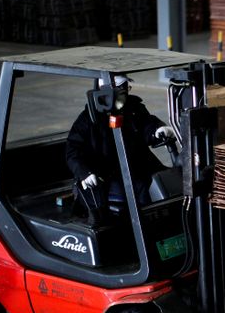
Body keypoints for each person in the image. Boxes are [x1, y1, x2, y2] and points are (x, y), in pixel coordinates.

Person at [65, 74, 175, 226]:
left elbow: (146, 124)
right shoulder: (88, 120)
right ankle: (148, 230)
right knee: (143, 190)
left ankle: (167, 225)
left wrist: (157, 130)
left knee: (167, 182)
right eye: (122, 91)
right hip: (107, 173)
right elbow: (73, 151)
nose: (126, 94)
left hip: (136, 164)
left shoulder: (133, 107)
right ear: (106, 94)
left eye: (126, 89)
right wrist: (85, 173)